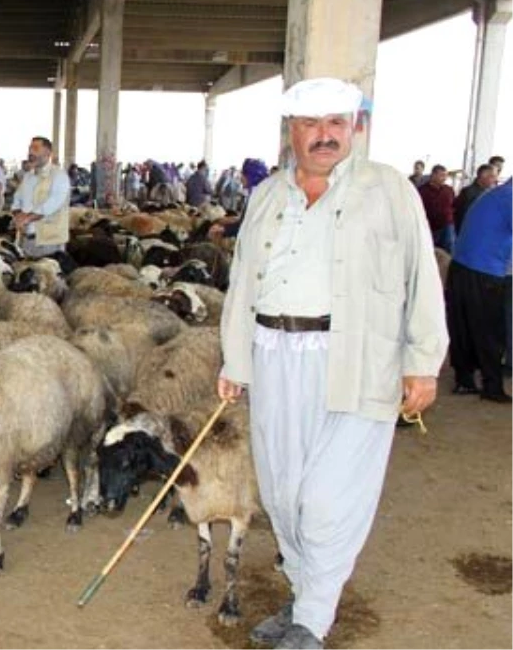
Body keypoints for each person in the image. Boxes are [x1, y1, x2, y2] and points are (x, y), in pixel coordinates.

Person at [219, 78, 447, 650]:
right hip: (274, 355)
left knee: (329, 497)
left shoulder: (389, 190)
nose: (325, 136)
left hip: (356, 358)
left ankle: (313, 621)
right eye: (312, 125)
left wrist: (423, 362)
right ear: (292, 131)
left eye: (337, 124)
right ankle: (302, 594)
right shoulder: (268, 195)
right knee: (283, 492)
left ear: (355, 128)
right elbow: (244, 278)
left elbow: (422, 276)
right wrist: (236, 360)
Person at [447, 178, 512, 401]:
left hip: (460, 268)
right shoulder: (509, 198)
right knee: (491, 330)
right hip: (484, 272)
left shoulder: (495, 194)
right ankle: (492, 387)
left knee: (463, 327)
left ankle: (464, 380)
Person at [10, 137, 70, 258]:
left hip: (49, 243)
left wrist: (27, 218)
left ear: (48, 153)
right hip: (26, 240)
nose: (31, 153)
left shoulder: (59, 176)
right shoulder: (28, 177)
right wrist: (17, 215)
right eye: (30, 148)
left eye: (36, 148)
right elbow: (17, 199)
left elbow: (51, 205)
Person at [418, 164, 456, 253]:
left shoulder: (448, 190)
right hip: (429, 227)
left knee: (449, 249)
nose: (444, 178)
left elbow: (454, 205)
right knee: (429, 251)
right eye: (442, 175)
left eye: (445, 176)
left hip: (447, 225)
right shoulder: (422, 191)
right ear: (433, 175)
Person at [454, 164, 497, 229]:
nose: (495, 180)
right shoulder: (468, 192)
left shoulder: (490, 192)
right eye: (492, 176)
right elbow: (463, 216)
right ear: (483, 176)